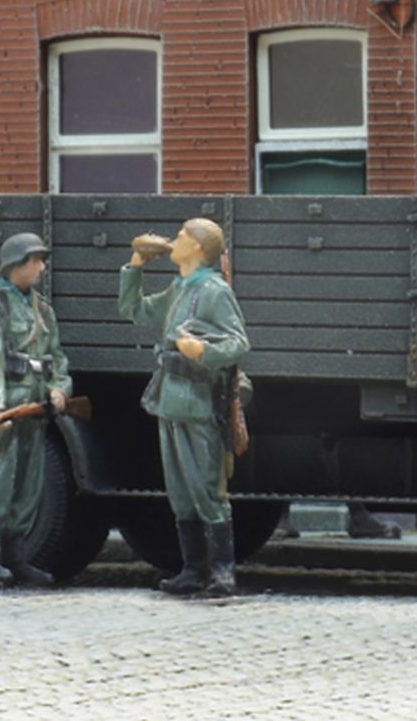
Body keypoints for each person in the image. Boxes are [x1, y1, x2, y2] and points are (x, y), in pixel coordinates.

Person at [118, 218, 249, 597]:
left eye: (181, 237)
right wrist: (136, 266)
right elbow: (135, 309)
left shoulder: (213, 291)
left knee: (208, 488)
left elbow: (238, 343)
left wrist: (203, 351)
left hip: (198, 402)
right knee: (179, 490)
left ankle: (222, 571)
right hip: (169, 401)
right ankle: (192, 569)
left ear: (197, 249)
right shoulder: (180, 288)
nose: (174, 241)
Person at [0, 233, 75, 589]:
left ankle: (15, 556)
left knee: (29, 481)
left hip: (36, 404)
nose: (42, 267)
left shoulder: (41, 308)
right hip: (8, 403)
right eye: (36, 261)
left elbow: (56, 356)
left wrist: (61, 387)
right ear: (16, 265)